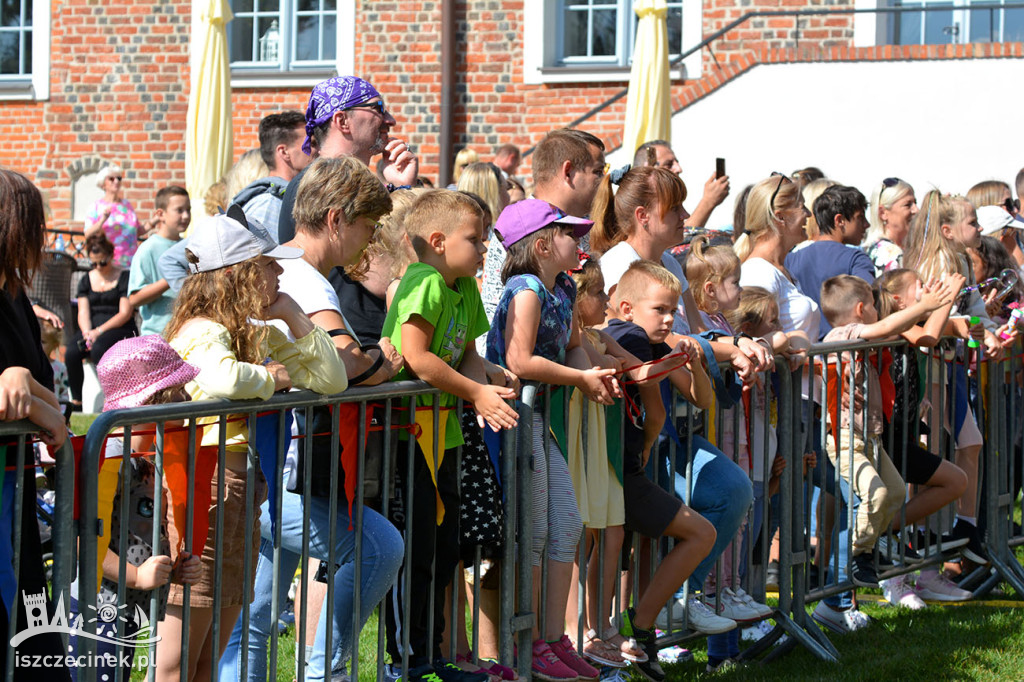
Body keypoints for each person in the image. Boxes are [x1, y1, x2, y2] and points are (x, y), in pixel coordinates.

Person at [220, 156, 404, 682]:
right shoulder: (307, 279)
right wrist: (383, 363)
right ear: (337, 218)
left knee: (253, 615)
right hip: (279, 468)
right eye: (367, 227)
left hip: (266, 465)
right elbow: (342, 362)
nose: (368, 244)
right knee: (380, 545)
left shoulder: (285, 269)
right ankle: (327, 673)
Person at [156, 210, 348, 682]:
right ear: (237, 275)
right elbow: (219, 378)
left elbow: (332, 377)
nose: (280, 273)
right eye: (268, 265)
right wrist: (269, 377)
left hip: (236, 489)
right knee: (179, 656)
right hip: (206, 490)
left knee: (208, 651)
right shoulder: (204, 330)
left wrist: (289, 311)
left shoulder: (247, 333)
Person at [382, 190, 519, 682]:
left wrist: (492, 377)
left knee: (443, 553)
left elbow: (465, 354)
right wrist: (476, 394)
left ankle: (435, 655)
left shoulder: (461, 285)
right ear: (438, 241)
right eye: (475, 239)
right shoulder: (423, 282)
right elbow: (418, 357)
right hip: (408, 436)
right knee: (414, 553)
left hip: (445, 438)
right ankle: (406, 662)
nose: (484, 249)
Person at [485, 199, 617, 682]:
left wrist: (593, 374)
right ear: (542, 245)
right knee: (535, 533)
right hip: (514, 423)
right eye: (569, 235)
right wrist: (579, 381)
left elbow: (576, 344)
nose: (579, 242)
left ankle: (554, 638)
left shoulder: (561, 284)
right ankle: (531, 642)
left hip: (538, 421)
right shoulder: (525, 289)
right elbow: (519, 361)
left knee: (566, 524)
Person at [603, 261, 720, 680]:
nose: (669, 319)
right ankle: (640, 626)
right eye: (661, 310)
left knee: (612, 556)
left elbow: (702, 399)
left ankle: (628, 632)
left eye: (673, 310)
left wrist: (695, 362)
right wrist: (651, 436)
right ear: (626, 306)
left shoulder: (640, 337)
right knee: (700, 532)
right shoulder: (628, 335)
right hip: (620, 470)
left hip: (623, 469)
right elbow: (652, 402)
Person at [69, 335, 203, 682]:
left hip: (127, 605)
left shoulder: (154, 456)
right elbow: (87, 544)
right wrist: (138, 576)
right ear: (151, 400)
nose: (188, 400)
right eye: (178, 391)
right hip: (98, 606)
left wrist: (176, 567)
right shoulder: (115, 457)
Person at [815, 276, 949, 603]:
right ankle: (859, 554)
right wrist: (923, 306)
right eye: (874, 305)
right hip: (846, 438)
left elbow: (911, 334)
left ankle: (873, 546)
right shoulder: (843, 334)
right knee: (873, 495)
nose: (879, 310)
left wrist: (931, 308)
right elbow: (883, 327)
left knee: (896, 492)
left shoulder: (862, 336)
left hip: (869, 437)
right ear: (861, 309)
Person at [0, 169, 69, 682]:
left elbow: (34, 380)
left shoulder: (16, 296)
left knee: (31, 626)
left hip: (16, 486)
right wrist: (31, 400)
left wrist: (40, 404)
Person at [873, 268, 973, 605]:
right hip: (885, 435)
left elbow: (932, 332)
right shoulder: (898, 325)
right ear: (899, 299)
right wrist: (946, 297)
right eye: (920, 286)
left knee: (953, 481)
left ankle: (890, 535)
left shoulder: (907, 325)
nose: (927, 288)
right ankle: (892, 578)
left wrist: (953, 319)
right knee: (899, 496)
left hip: (905, 432)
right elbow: (928, 337)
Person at [481, 128, 607, 327]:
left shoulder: (585, 223)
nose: (603, 183)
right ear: (568, 172)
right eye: (598, 172)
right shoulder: (518, 230)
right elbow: (496, 319)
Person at [277, 75, 419, 243]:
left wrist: (401, 187)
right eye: (378, 108)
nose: (390, 120)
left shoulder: (343, 183)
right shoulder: (318, 186)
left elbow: (398, 252)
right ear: (342, 120)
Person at [785, 185, 875, 339]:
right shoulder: (857, 259)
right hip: (846, 355)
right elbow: (866, 303)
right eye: (860, 217)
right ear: (839, 220)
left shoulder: (791, 259)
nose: (867, 224)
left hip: (807, 355)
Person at [66, 233, 138, 410]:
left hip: (119, 327)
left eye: (102, 262)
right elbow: (83, 311)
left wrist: (98, 332)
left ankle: (114, 398)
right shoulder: (86, 280)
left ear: (111, 256)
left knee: (100, 349)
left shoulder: (124, 277)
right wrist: (87, 333)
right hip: (92, 329)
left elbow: (125, 313)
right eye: (93, 263)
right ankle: (77, 402)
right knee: (72, 352)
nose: (98, 267)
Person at [230, 111, 311, 241]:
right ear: (284, 152)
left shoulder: (281, 199)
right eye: (310, 144)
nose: (317, 150)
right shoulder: (269, 205)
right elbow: (260, 260)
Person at [128, 185, 191, 336]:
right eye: (179, 210)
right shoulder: (148, 249)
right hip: (158, 336)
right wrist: (170, 277)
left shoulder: (190, 245)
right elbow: (134, 299)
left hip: (187, 333)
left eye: (188, 210)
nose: (186, 216)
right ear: (160, 214)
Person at [632, 140, 730, 229]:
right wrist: (708, 201)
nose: (679, 169)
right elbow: (675, 243)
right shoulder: (635, 203)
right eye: (669, 164)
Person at [85, 164, 146, 267]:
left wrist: (155, 221)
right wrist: (102, 220)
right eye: (111, 179)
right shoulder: (96, 207)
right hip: (108, 262)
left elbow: (137, 231)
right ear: (103, 184)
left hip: (130, 261)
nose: (116, 181)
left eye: (118, 178)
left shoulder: (127, 205)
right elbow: (88, 234)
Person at [864, 177, 918, 276]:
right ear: (883, 213)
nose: (916, 210)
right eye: (907, 205)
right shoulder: (891, 254)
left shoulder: (873, 248)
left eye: (915, 203)